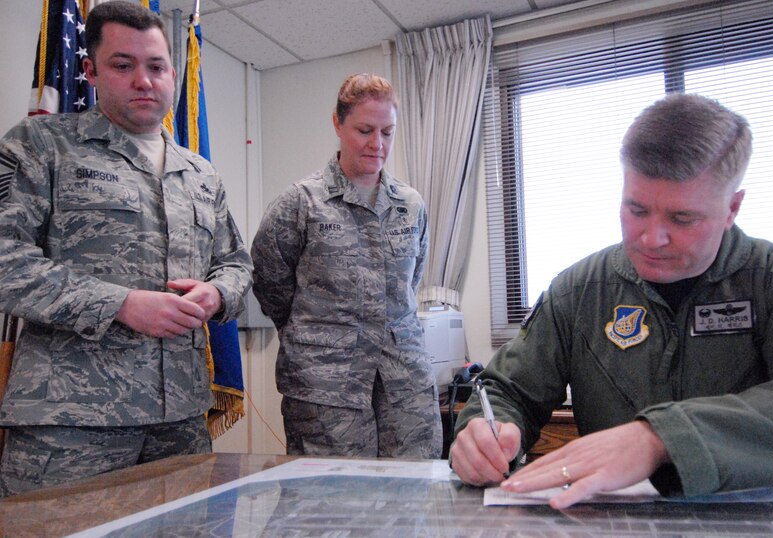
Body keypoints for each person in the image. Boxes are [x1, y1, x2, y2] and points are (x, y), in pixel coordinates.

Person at [450, 93, 773, 508]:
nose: (651, 238)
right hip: (623, 528)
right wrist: (482, 433)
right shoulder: (579, 290)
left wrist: (660, 438)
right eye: (636, 209)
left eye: (682, 218)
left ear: (732, 208)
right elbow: (506, 389)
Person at [0, 1, 252, 496]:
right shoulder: (41, 145)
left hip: (180, 418)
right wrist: (120, 304)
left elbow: (236, 264)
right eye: (123, 64)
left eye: (155, 66)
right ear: (91, 71)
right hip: (71, 422)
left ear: (172, 73)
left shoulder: (199, 173)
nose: (143, 80)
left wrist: (218, 294)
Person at [251, 74, 442, 458]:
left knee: (411, 498)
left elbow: (408, 282)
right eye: (365, 130)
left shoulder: (411, 204)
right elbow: (271, 282)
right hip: (326, 387)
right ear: (338, 124)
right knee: (330, 504)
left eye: (388, 132)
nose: (378, 144)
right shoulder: (301, 203)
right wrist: (320, 333)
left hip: (404, 384)